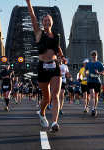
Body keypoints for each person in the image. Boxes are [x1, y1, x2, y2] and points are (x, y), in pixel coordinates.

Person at [26, 0, 66, 132]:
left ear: (52, 22)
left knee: (55, 95)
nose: (47, 22)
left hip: (54, 67)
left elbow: (58, 48)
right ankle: (42, 113)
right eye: (45, 21)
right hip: (42, 67)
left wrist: (62, 57)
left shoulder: (56, 36)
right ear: (42, 23)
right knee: (47, 98)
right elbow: (32, 16)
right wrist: (28, 3)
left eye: (49, 20)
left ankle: (54, 122)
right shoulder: (38, 33)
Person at [85, 50, 104, 116]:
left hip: (97, 81)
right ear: (91, 56)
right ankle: (93, 108)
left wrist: (98, 73)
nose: (94, 56)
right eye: (92, 55)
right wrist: (87, 74)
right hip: (90, 81)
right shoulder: (88, 64)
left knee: (96, 96)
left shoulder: (99, 64)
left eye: (95, 55)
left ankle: (94, 108)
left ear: (96, 56)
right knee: (92, 94)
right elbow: (86, 72)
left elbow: (103, 73)